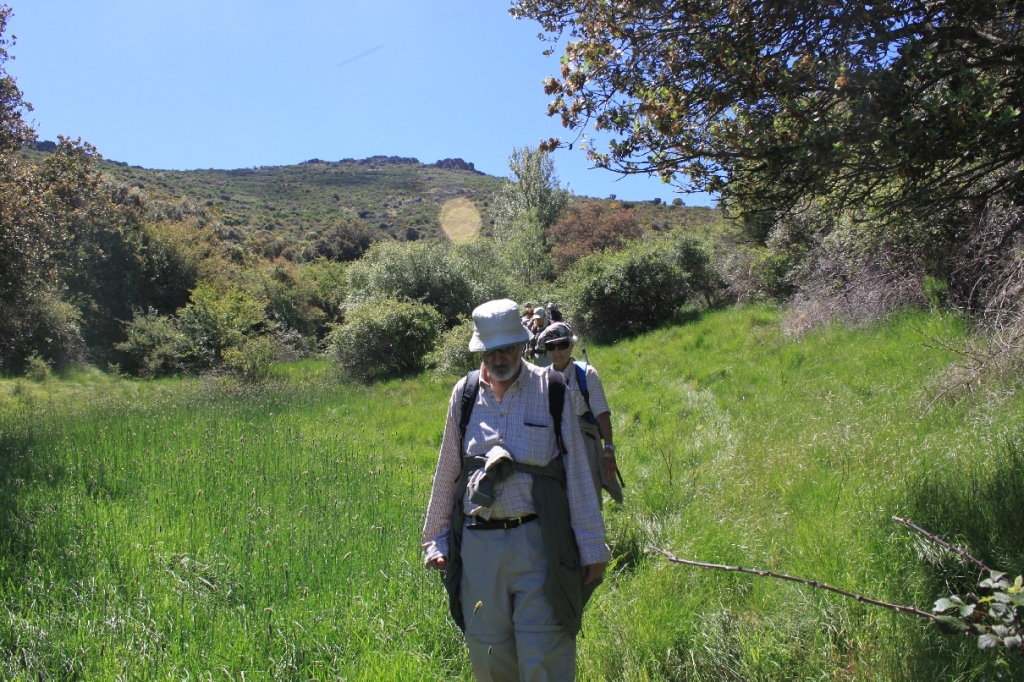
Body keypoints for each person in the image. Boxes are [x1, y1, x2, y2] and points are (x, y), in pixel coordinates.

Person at [422, 299, 609, 682]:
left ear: (523, 344)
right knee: (490, 656)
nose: (499, 357)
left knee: (545, 654)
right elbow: (448, 470)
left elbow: (576, 471)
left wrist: (592, 544)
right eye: (490, 350)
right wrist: (435, 539)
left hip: (538, 543)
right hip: (479, 548)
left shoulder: (552, 389)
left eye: (507, 347)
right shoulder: (465, 394)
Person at [536, 322, 623, 505]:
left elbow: (602, 415)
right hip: (553, 445)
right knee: (559, 498)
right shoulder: (540, 379)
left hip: (585, 441)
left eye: (562, 345)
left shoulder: (586, 374)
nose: (557, 351)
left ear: (572, 345)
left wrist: (608, 451)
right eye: (551, 346)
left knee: (588, 496)